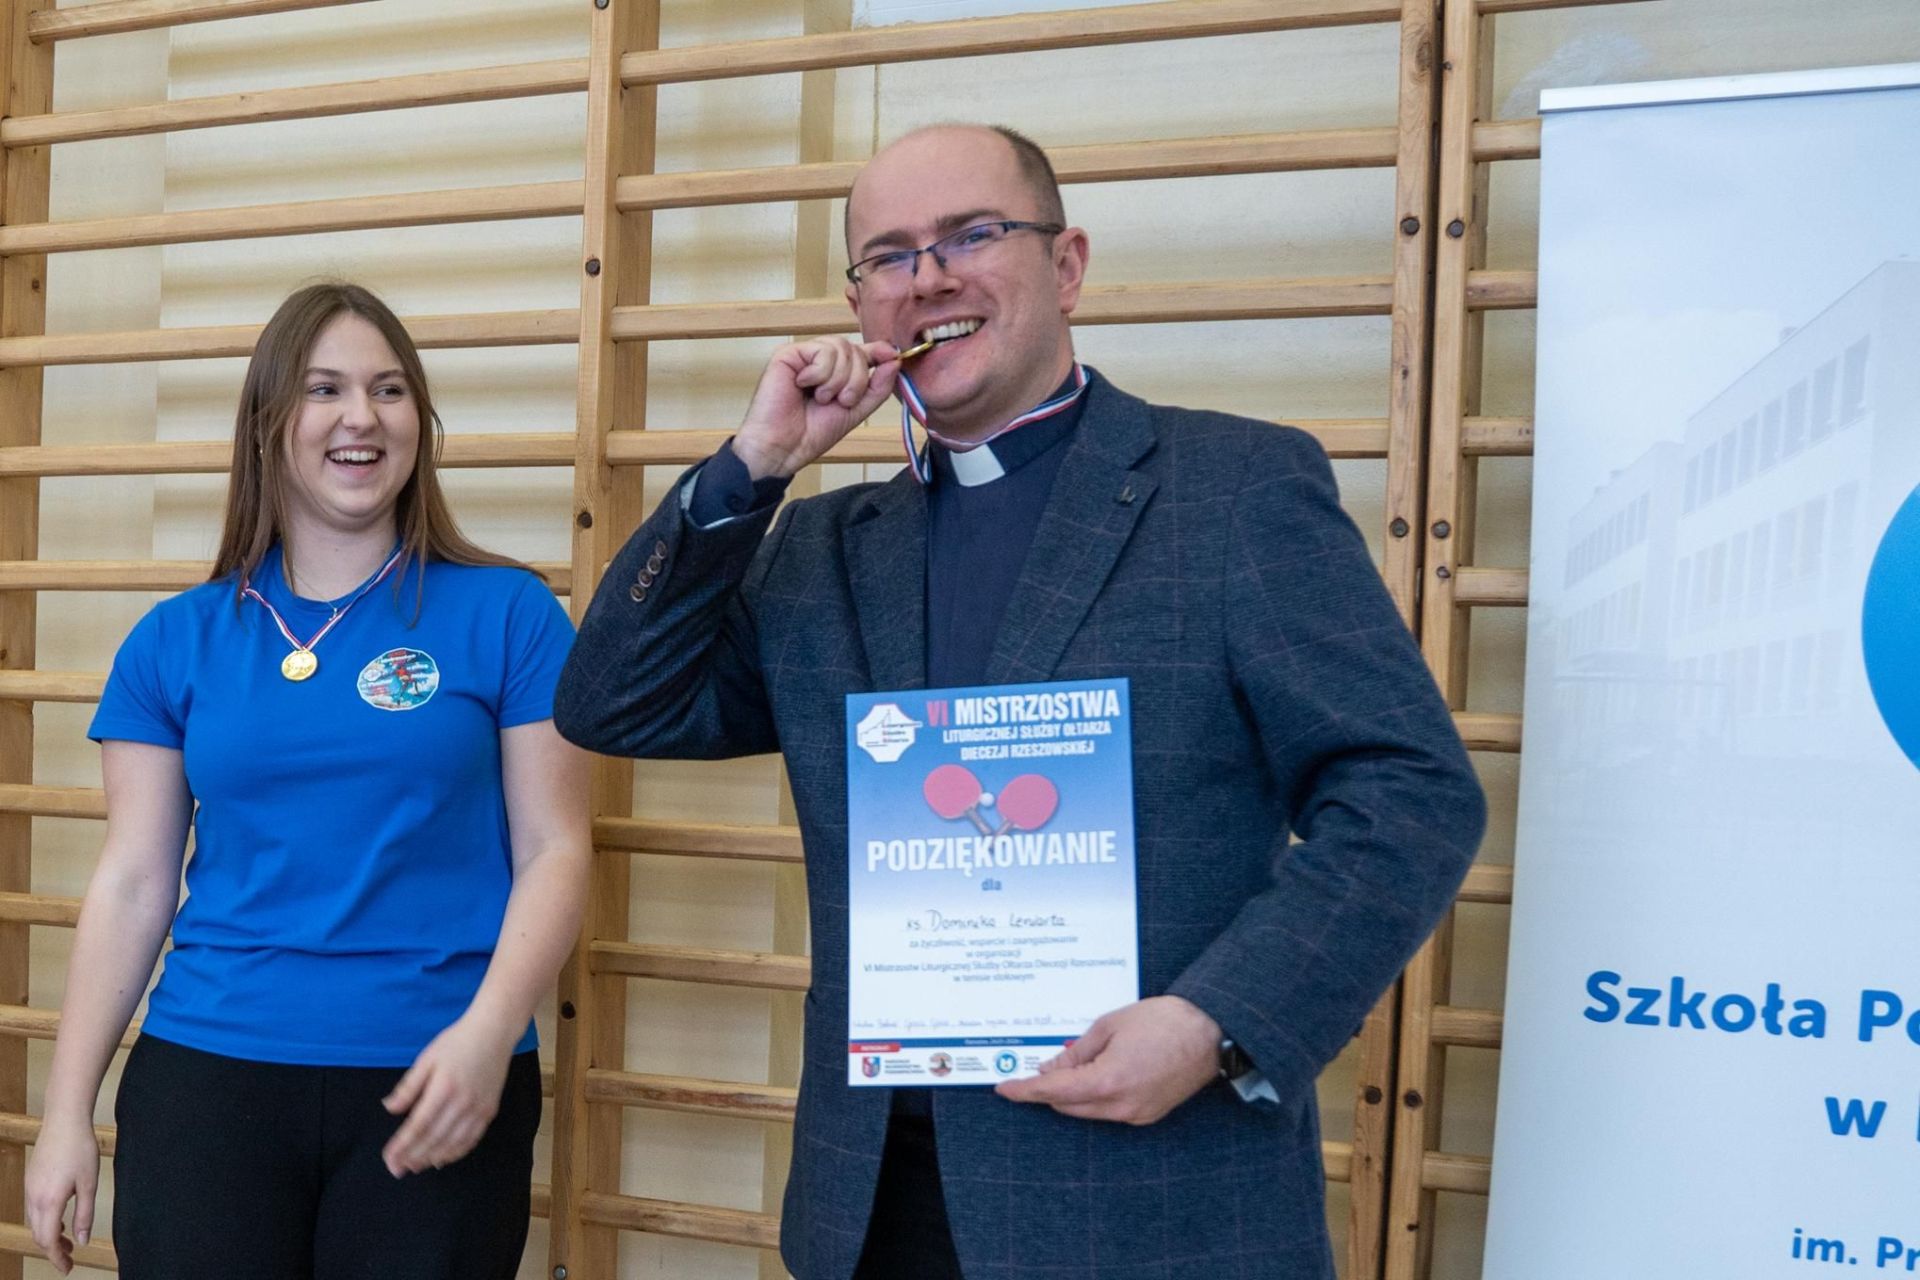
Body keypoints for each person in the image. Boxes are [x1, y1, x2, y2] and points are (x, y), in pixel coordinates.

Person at [554, 124, 1485, 1279]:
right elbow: (613, 703)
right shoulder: (823, 547)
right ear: (861, 304)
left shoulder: (1233, 488)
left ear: (1068, 264)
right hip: (876, 1214)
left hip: (1153, 1209)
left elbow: (1410, 790)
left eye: (971, 235)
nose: (927, 277)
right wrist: (755, 463)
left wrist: (1216, 1021)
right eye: (888, 256)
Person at [25, 282, 591, 1279]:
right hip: (209, 1082)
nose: (360, 416)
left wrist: (490, 1030)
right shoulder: (174, 640)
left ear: (419, 421)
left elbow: (556, 848)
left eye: (389, 390)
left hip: (438, 1079)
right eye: (324, 389)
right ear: (268, 422)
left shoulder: (510, 614)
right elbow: (133, 882)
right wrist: (65, 1112)